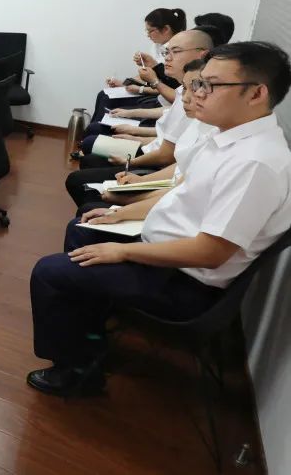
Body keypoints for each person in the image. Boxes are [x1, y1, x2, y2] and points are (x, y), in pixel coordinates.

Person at [28, 41, 291, 397]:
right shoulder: (226, 136)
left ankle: (76, 370)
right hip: (167, 251)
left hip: (185, 283)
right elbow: (179, 191)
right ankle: (89, 333)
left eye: (210, 85)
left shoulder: (255, 162)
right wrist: (120, 213)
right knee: (83, 229)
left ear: (257, 93)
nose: (197, 92)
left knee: (49, 273)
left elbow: (210, 253)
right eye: (198, 83)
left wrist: (123, 252)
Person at [66, 29, 214, 206]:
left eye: (176, 52)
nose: (168, 58)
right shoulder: (184, 90)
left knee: (89, 153)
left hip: (157, 165)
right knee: (93, 146)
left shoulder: (200, 105)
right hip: (156, 158)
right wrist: (133, 128)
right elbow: (168, 132)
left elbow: (168, 156)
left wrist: (132, 155)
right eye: (167, 52)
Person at [88, 7, 187, 124]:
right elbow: (151, 76)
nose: (148, 35)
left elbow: (170, 87)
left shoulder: (181, 55)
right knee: (104, 95)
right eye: (147, 31)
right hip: (159, 96)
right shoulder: (157, 46)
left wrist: (140, 89)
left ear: (166, 29)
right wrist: (126, 83)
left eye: (151, 31)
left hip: (161, 100)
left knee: (106, 108)